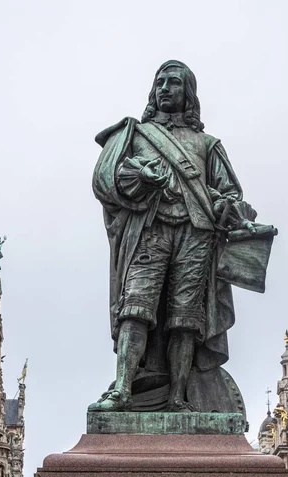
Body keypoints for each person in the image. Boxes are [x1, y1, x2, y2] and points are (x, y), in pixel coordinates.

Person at [92, 60, 257, 412]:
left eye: (174, 83)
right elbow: (107, 181)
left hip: (195, 234)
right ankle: (122, 389)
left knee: (185, 320)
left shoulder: (208, 144)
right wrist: (138, 178)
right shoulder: (135, 135)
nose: (165, 88)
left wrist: (233, 210)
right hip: (150, 230)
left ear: (188, 94)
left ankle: (179, 398)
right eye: (160, 82)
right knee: (134, 310)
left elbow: (229, 195)